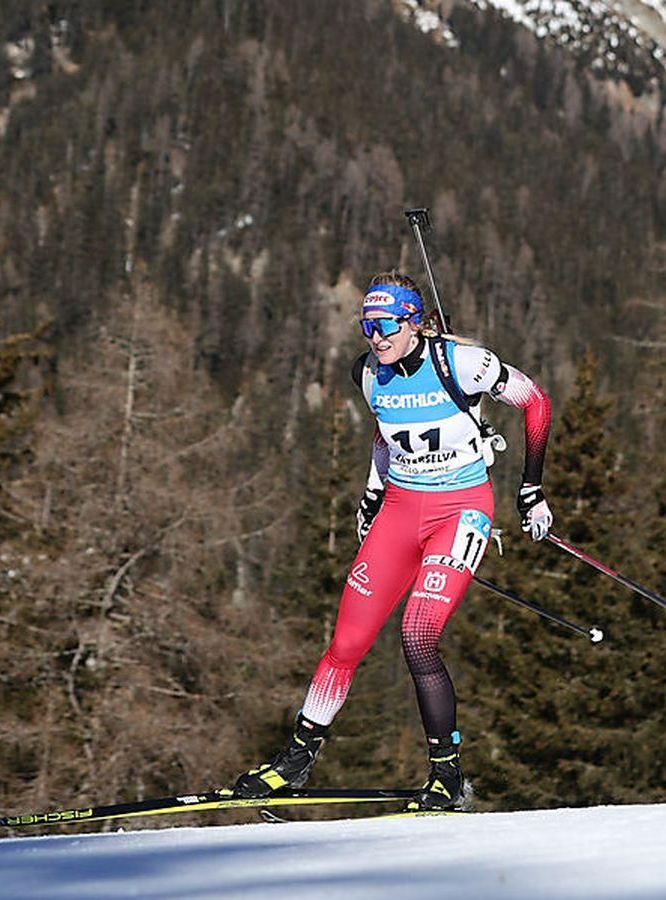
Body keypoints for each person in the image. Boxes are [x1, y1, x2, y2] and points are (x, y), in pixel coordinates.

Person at [231, 270, 553, 810]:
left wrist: (532, 490)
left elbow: (536, 402)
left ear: (414, 323)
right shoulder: (368, 374)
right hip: (400, 512)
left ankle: (447, 776)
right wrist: (372, 494)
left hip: (460, 511)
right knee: (346, 643)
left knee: (418, 635)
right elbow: (385, 435)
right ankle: (295, 762)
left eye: (385, 326)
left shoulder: (463, 363)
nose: (376, 337)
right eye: (367, 327)